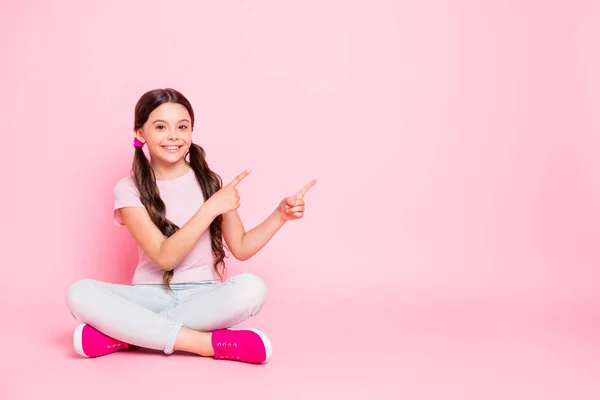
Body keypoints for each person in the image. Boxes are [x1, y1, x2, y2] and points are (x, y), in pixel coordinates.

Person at [65, 88, 317, 364]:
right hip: (149, 295)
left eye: (182, 127)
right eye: (160, 127)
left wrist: (279, 215)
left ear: (191, 132)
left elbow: (242, 248)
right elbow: (164, 257)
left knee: (252, 288)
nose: (173, 135)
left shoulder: (210, 182)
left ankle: (129, 334)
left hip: (204, 297)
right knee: (79, 292)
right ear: (140, 134)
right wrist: (210, 208)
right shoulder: (128, 189)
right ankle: (206, 344)